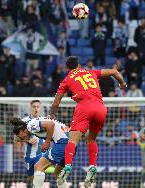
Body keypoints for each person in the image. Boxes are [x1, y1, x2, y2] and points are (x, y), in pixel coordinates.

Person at [49, 56, 126, 187]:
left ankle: (67, 166)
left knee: (72, 140)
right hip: (101, 108)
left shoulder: (66, 79)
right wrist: (122, 83)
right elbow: (114, 71)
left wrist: (51, 115)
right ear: (79, 65)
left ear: (67, 68)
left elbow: (56, 102)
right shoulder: (91, 72)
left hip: (84, 107)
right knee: (91, 139)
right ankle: (92, 167)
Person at [10, 115, 70, 188]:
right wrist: (28, 140)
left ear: (22, 132)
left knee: (38, 167)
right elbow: (52, 123)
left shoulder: (30, 125)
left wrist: (47, 142)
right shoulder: (28, 122)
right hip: (70, 141)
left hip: (62, 143)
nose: (21, 138)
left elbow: (51, 124)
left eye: (20, 136)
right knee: (57, 174)